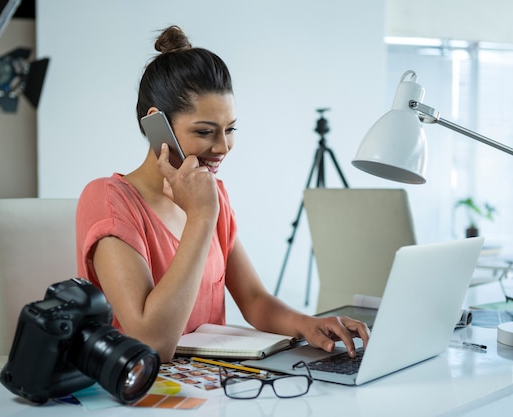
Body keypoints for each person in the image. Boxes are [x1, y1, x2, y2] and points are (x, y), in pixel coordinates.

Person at [76, 25, 370, 363]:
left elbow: (255, 299)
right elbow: (152, 343)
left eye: (230, 130)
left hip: (213, 387)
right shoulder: (110, 200)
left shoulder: (212, 194)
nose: (223, 147)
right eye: (205, 131)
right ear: (157, 125)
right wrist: (201, 218)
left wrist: (310, 325)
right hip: (140, 392)